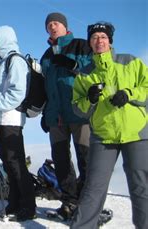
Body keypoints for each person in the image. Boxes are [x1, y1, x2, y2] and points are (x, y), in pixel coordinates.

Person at [71, 22, 148, 229]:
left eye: (103, 37)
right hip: (103, 136)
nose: (99, 41)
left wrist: (129, 94)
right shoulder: (85, 74)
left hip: (136, 133)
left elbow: (146, 87)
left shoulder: (130, 61)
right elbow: (78, 108)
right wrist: (90, 99)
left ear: (110, 41)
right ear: (90, 43)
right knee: (93, 187)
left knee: (141, 187)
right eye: (94, 37)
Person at [40, 12, 93, 220]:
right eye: (49, 24)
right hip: (56, 117)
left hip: (80, 113)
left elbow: (93, 73)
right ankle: (69, 202)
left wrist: (74, 67)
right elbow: (45, 87)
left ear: (64, 26)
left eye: (56, 23)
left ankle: (89, 204)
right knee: (61, 161)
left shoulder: (81, 46)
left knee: (86, 159)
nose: (53, 27)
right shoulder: (46, 55)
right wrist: (45, 112)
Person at [0, 26, 36, 221]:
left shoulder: (15, 60)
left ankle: (28, 205)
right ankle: (14, 202)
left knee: (16, 163)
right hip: (1, 117)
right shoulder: (2, 61)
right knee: (8, 162)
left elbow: (17, 92)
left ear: (4, 39)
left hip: (11, 118)